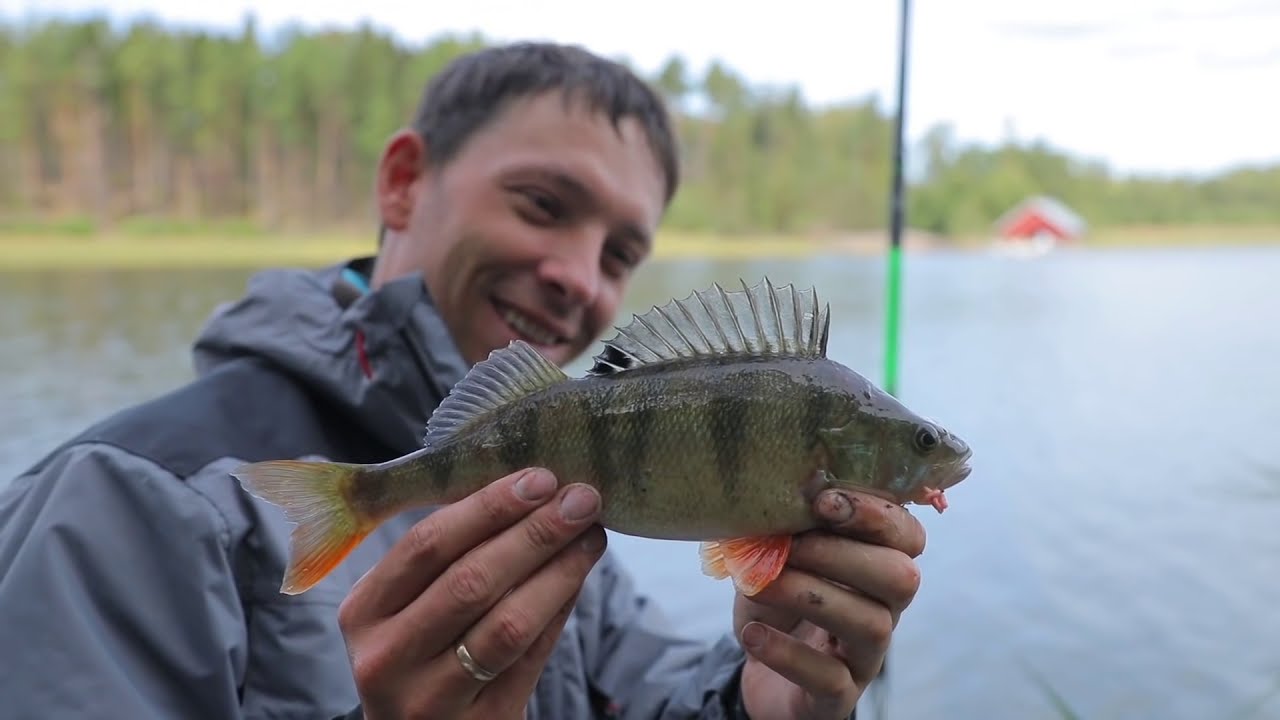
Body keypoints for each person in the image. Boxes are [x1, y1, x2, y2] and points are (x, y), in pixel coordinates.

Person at [0, 42, 927, 720]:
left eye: (621, 252)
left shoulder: (558, 499)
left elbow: (647, 689)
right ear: (403, 182)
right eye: (542, 205)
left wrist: (758, 700)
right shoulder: (122, 502)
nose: (577, 274)